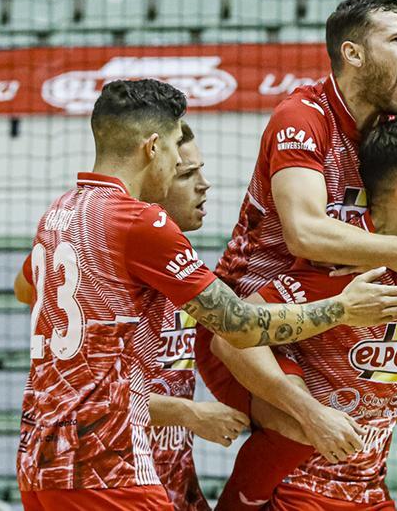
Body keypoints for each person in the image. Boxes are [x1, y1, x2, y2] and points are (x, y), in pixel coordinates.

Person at [12, 79, 397, 510]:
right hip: (109, 463)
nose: (184, 173)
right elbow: (241, 327)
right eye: (176, 156)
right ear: (153, 148)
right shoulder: (139, 221)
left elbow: (25, 288)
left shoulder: (59, 214)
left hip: (44, 458)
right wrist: (341, 308)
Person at [200, 0, 397, 511]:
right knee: (300, 425)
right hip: (258, 321)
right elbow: (305, 234)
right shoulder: (302, 118)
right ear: (354, 53)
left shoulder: (391, 133)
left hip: (345, 317)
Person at [227, 117, 397, 510]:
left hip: (369, 489)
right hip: (307, 491)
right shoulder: (349, 267)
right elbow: (232, 335)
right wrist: (310, 413)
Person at [145, 122, 246, 510]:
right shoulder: (114, 258)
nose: (204, 185)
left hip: (170, 478)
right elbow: (103, 399)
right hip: (119, 483)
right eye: (187, 174)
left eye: (201, 170)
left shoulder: (177, 257)